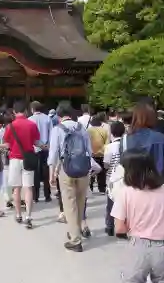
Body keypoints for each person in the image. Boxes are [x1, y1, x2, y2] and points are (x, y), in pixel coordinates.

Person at [111, 148, 164, 282]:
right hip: (162, 248)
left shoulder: (125, 193)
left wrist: (133, 227)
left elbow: (119, 228)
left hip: (137, 246)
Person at [48, 101, 101, 251]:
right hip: (83, 169)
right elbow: (89, 152)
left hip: (66, 170)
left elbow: (53, 155)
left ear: (59, 115)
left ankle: (75, 239)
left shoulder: (57, 129)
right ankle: (74, 231)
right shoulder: (81, 129)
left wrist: (51, 174)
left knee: (69, 204)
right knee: (80, 203)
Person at [3, 100, 41, 229]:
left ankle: (18, 214)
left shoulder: (10, 126)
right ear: (26, 111)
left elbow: (7, 144)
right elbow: (36, 142)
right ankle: (29, 217)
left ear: (14, 112)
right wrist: (44, 146)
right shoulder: (32, 124)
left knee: (16, 188)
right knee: (28, 188)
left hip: (14, 159)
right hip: (28, 159)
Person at [103, 120, 125, 236]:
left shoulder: (109, 147)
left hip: (112, 178)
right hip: (125, 178)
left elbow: (106, 164)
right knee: (124, 203)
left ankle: (110, 226)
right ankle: (123, 227)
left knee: (111, 202)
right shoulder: (127, 145)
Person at [28, 101, 53, 203]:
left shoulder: (29, 120)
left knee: (35, 173)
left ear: (32, 109)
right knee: (46, 172)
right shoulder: (47, 118)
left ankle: (35, 196)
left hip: (34, 148)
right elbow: (51, 133)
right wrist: (49, 146)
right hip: (46, 148)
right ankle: (47, 195)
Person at [87, 116, 109, 194]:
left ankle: (90, 186)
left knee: (92, 170)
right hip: (102, 153)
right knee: (102, 173)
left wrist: (91, 152)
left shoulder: (88, 131)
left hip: (92, 154)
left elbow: (87, 143)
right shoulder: (104, 131)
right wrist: (101, 151)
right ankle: (102, 189)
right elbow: (107, 144)